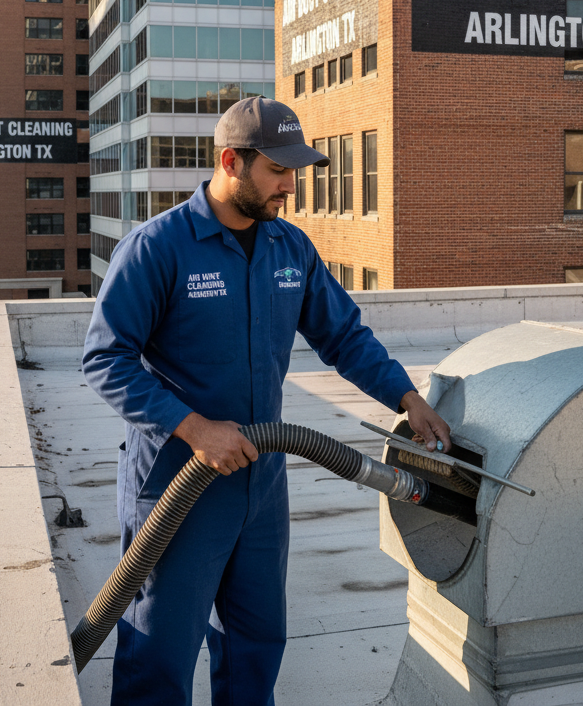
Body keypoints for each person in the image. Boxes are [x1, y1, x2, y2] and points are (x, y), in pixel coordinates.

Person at [82, 96, 451, 706]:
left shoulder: (290, 249)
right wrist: (194, 428)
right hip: (176, 489)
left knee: (255, 649)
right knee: (159, 662)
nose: (292, 185)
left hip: (259, 489)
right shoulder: (158, 248)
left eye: (296, 170)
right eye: (279, 171)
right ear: (232, 161)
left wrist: (406, 396)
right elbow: (105, 359)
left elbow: (343, 336)